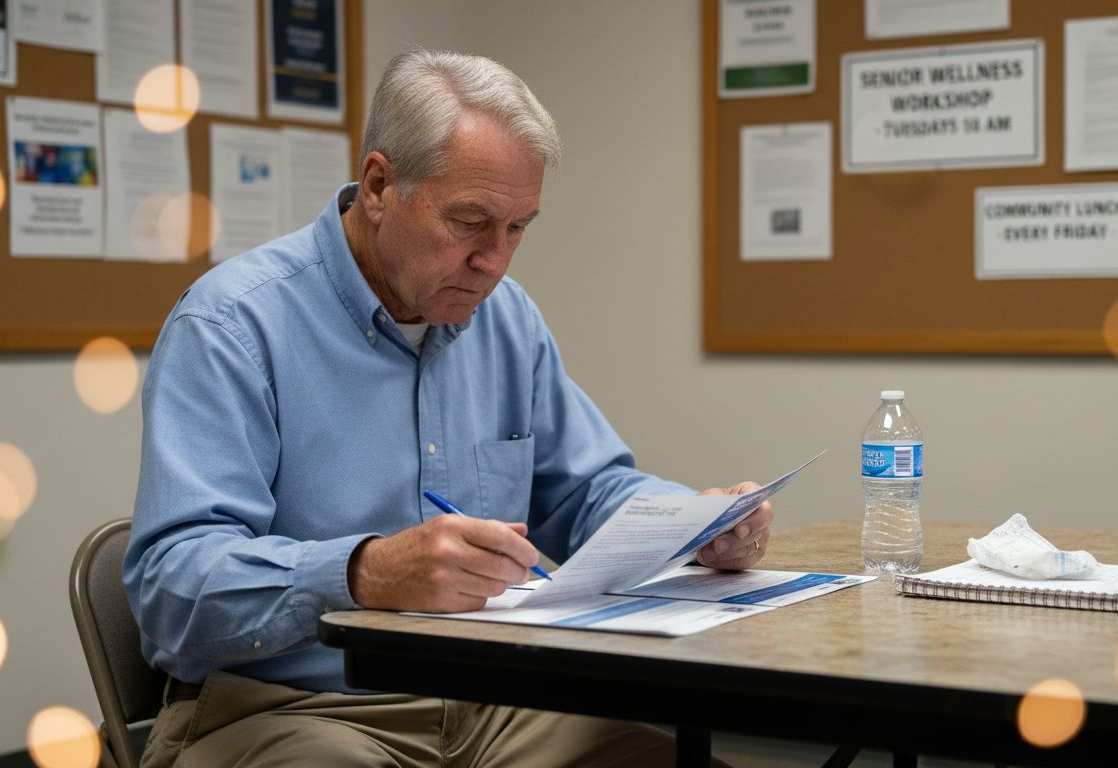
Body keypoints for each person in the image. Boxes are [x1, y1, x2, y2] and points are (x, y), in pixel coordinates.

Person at [125, 48, 773, 768]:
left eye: (518, 227)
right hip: (298, 708)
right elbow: (171, 588)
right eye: (470, 222)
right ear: (379, 184)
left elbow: (588, 490)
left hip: (492, 704)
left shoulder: (506, 319)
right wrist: (361, 572)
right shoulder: (233, 326)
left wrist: (692, 526)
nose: (495, 260)